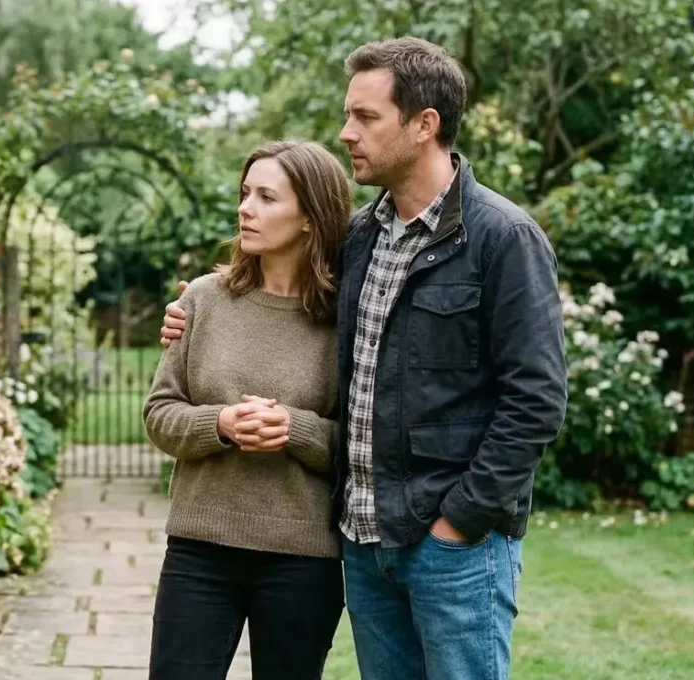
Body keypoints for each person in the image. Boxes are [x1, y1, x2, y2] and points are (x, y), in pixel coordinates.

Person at [159, 37, 567, 680]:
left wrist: (460, 521)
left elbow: (536, 399)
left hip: (451, 545)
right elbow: (277, 297)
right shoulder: (359, 239)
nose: (346, 132)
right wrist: (194, 311)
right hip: (364, 541)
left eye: (366, 116)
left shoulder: (502, 237)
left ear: (424, 124)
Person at [143, 140, 353, 680]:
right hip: (199, 547)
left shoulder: (346, 317)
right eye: (244, 193)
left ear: (310, 217)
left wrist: (295, 430)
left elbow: (363, 440)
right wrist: (219, 423)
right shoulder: (203, 299)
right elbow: (159, 413)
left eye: (266, 197)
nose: (245, 209)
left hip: (303, 557)